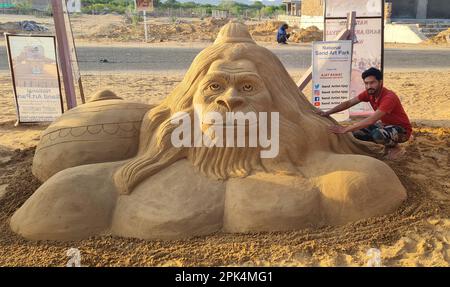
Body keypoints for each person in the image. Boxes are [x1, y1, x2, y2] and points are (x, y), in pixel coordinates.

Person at [316, 67, 412, 160]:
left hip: (403, 130)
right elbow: (349, 103)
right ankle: (389, 143)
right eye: (366, 83)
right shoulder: (369, 93)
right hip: (385, 126)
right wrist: (328, 112)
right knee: (356, 133)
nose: (369, 86)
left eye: (372, 82)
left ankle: (396, 148)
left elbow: (371, 120)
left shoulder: (389, 97)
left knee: (377, 135)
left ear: (380, 82)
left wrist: (345, 129)